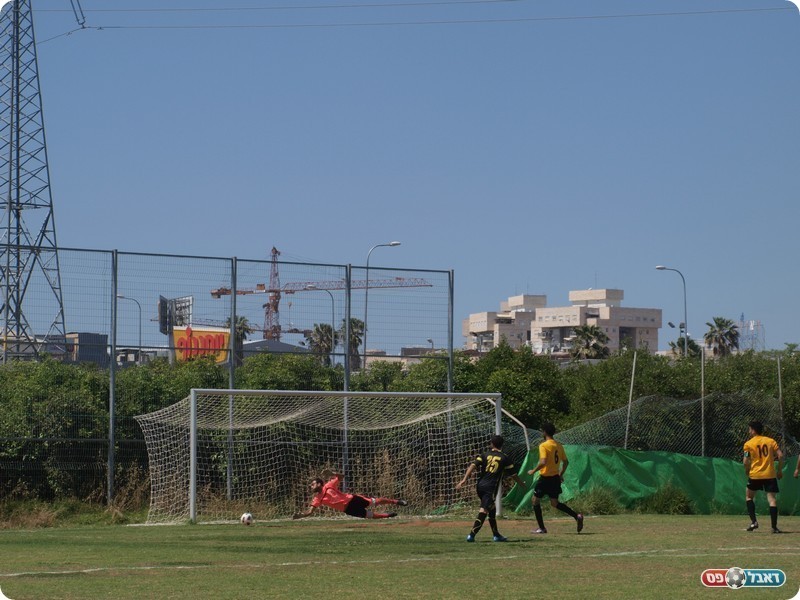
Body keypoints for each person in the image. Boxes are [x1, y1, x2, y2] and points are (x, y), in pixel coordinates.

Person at [456, 434, 527, 542]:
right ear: (502, 445)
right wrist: (521, 484)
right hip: (490, 487)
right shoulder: (504, 457)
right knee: (484, 510)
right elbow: (513, 475)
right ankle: (471, 535)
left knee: (492, 509)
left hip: (480, 486)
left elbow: (473, 465)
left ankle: (496, 535)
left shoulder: (484, 455)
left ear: (491, 444)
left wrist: (464, 479)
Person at [527, 422, 583, 534]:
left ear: (544, 432)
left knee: (535, 500)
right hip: (555, 479)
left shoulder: (543, 445)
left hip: (545, 478)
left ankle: (542, 528)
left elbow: (543, 462)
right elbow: (566, 462)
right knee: (554, 503)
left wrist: (533, 471)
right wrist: (560, 475)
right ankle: (576, 516)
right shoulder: (558, 445)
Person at [293, 470, 406, 520]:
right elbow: (310, 512)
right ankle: (388, 515)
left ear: (319, 483)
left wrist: (332, 473)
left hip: (352, 500)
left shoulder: (329, 485)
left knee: (375, 502)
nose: (310, 486)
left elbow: (341, 476)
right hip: (348, 509)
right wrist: (300, 516)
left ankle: (396, 502)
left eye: (312, 484)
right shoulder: (317, 498)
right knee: (370, 515)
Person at [743, 420, 784, 533]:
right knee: (772, 500)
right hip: (770, 474)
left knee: (749, 497)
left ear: (753, 430)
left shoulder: (748, 444)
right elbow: (780, 456)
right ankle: (774, 527)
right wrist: (779, 470)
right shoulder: (770, 441)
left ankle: (754, 522)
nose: (749, 431)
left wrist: (747, 470)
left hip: (755, 475)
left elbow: (745, 461)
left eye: (749, 429)